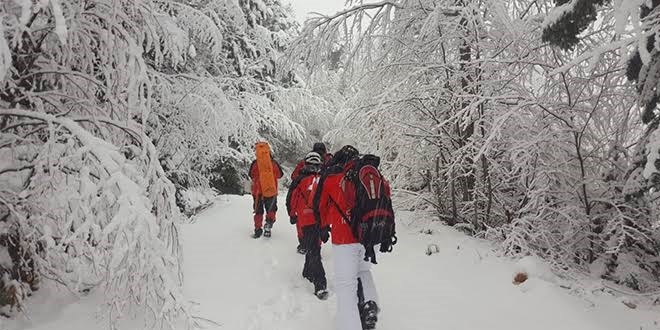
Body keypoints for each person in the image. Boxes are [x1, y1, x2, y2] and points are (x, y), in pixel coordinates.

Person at [313, 145, 382, 330]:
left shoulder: (332, 179)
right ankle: (370, 305)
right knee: (364, 271)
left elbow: (320, 206)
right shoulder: (371, 175)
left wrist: (324, 226)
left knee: (346, 287)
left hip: (344, 238)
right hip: (370, 236)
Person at [286, 151, 328, 299]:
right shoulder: (323, 179)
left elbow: (291, 198)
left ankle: (314, 278)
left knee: (313, 249)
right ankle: (314, 278)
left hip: (306, 219)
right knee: (314, 248)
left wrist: (292, 214)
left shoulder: (299, 180)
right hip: (320, 220)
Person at [248, 143, 283, 238]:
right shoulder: (274, 163)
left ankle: (258, 229)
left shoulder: (255, 163)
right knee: (271, 209)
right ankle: (268, 224)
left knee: (258, 211)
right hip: (271, 190)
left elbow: (251, 174)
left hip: (258, 191)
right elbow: (280, 175)